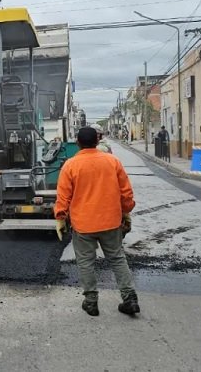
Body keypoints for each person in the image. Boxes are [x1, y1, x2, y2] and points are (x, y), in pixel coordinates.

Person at [54, 127, 138, 317]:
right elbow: (126, 193)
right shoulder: (112, 162)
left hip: (83, 224)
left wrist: (60, 218)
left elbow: (63, 196)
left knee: (86, 262)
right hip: (111, 222)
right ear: (97, 141)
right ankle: (130, 298)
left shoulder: (71, 165)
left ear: (78, 143)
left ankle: (91, 302)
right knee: (117, 259)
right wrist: (126, 212)